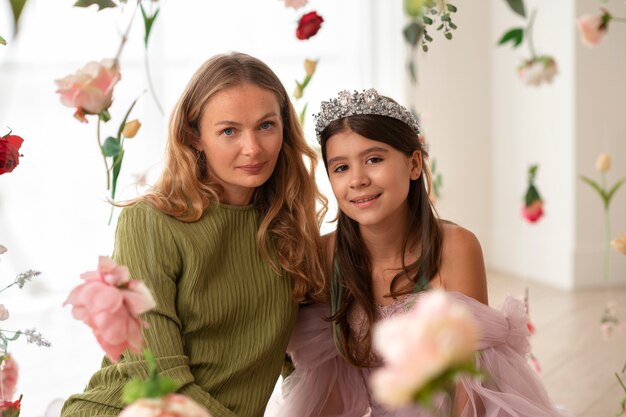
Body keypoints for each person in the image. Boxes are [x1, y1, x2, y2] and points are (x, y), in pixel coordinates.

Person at [61, 52, 327, 417]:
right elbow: (162, 378)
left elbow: (305, 362)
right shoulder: (150, 223)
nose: (253, 148)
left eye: (266, 125)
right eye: (229, 131)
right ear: (194, 137)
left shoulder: (288, 228)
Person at [276, 88, 569, 416]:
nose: (357, 179)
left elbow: (468, 384)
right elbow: (328, 380)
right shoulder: (327, 254)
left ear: (414, 164)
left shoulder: (456, 247)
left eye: (374, 159)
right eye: (341, 167)